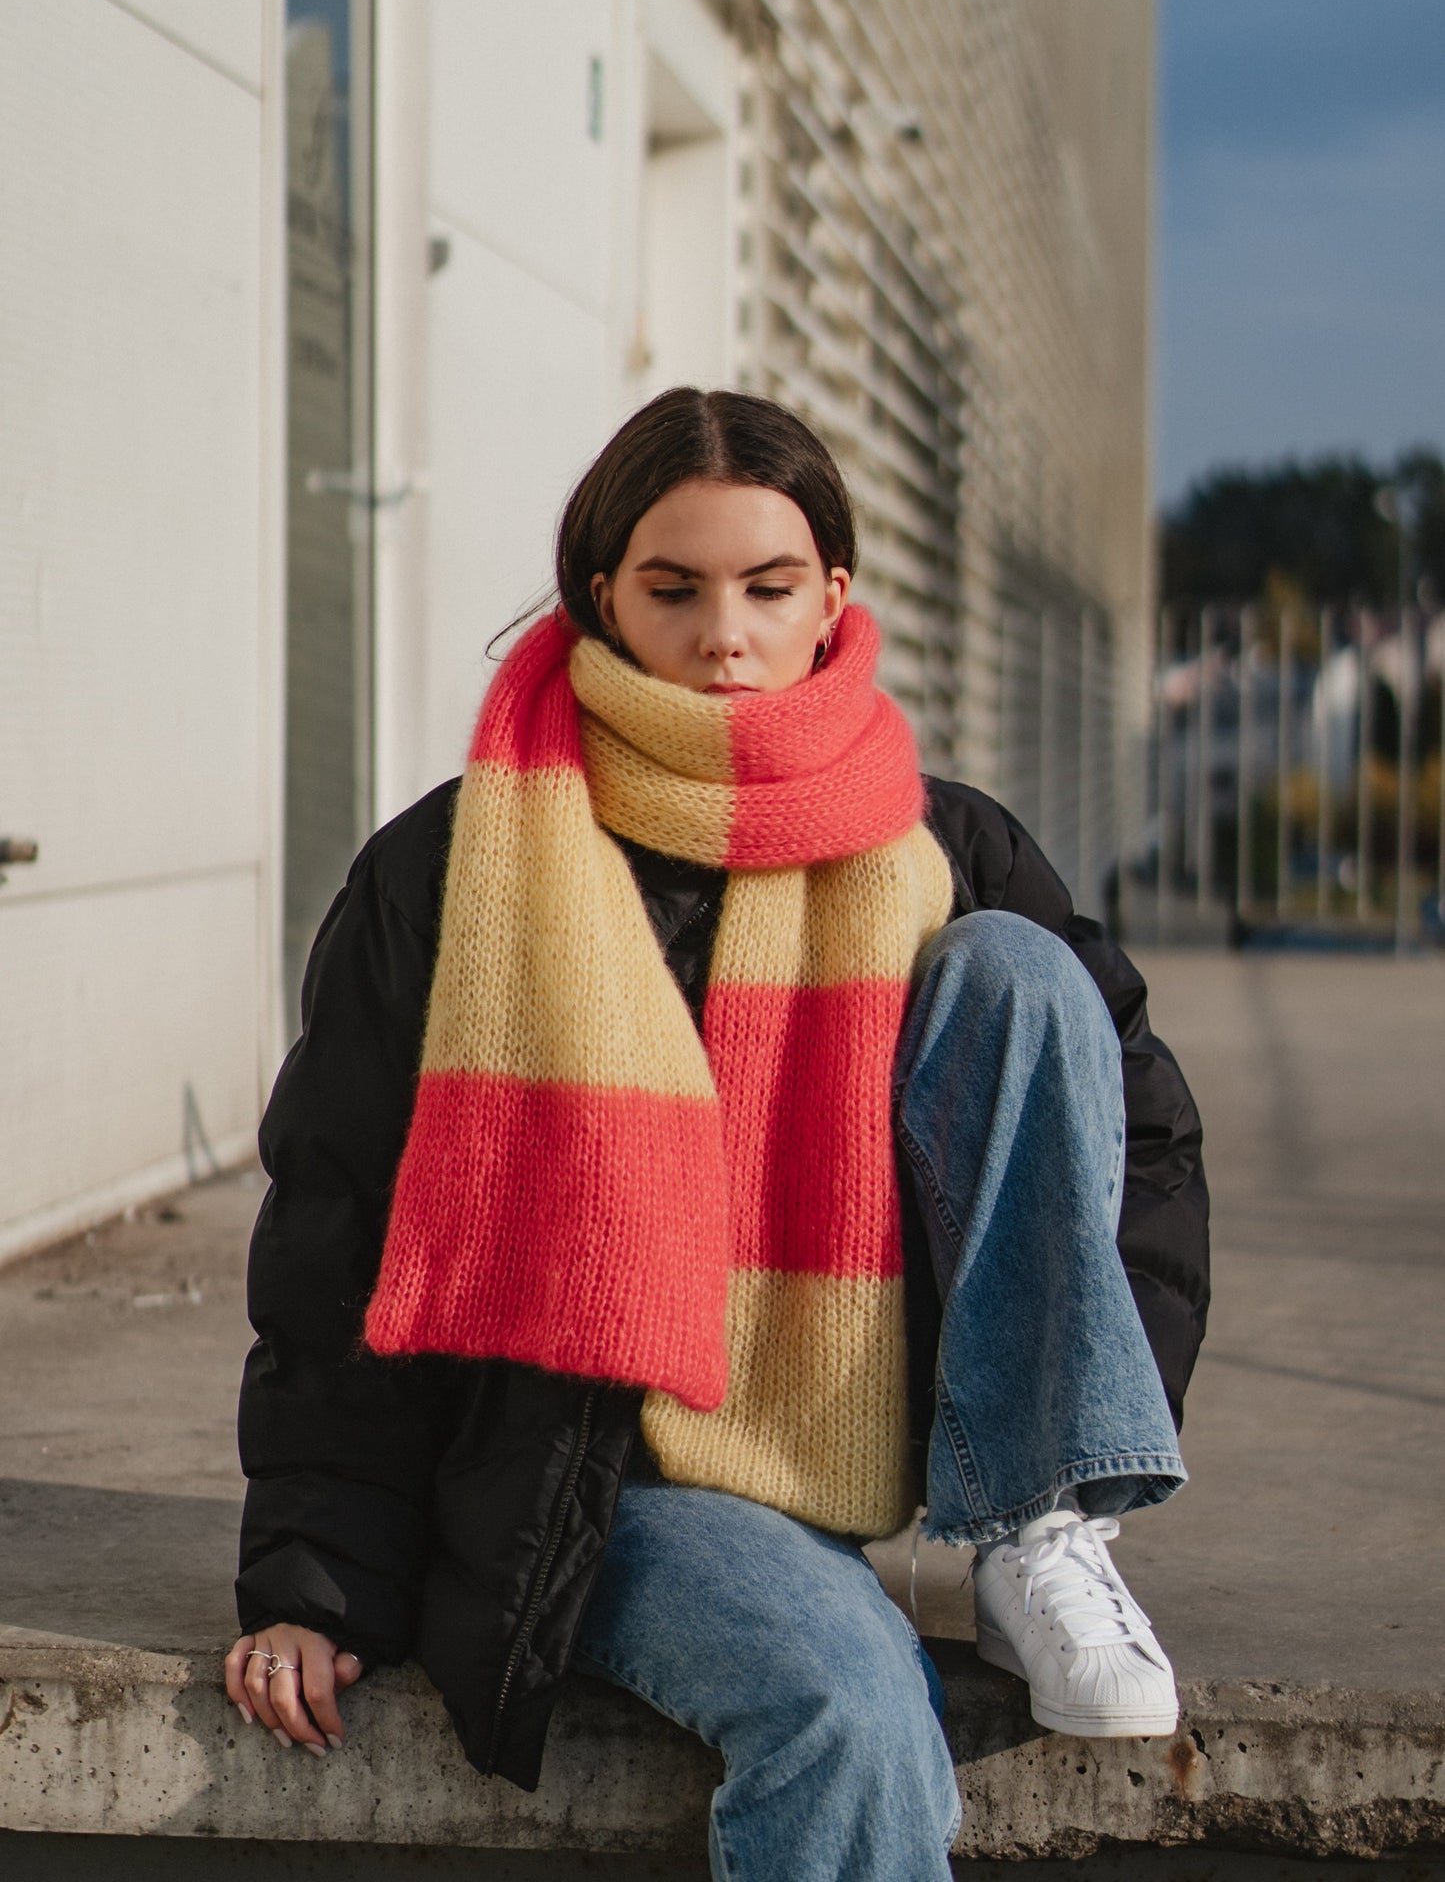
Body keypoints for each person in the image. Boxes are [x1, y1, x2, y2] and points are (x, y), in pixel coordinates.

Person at [226, 389, 1207, 1881]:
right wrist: (316, 1571)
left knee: (1021, 972)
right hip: (604, 1471)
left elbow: (1123, 1152)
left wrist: (1055, 1416)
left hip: (866, 1435)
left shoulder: (944, 846)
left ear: (833, 600)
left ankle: (1039, 1526)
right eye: (672, 590)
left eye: (766, 588)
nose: (723, 637)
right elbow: (338, 1217)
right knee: (854, 1711)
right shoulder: (457, 862)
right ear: (601, 596)